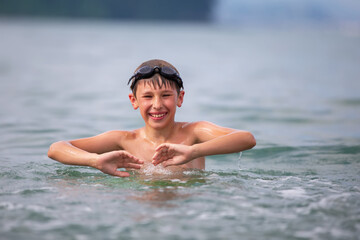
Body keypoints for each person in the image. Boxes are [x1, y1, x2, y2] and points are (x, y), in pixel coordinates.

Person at [48, 59, 256, 177]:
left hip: (188, 212)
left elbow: (246, 139)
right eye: (147, 97)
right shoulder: (124, 140)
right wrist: (95, 160)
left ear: (180, 98)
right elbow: (56, 148)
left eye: (166, 95)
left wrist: (194, 151)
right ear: (134, 100)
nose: (157, 105)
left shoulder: (194, 133)